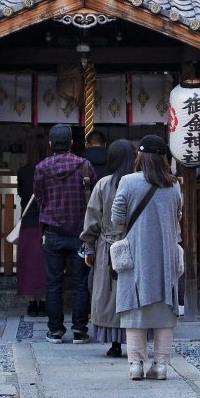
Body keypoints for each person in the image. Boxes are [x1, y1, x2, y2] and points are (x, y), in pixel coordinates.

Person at [110, 134, 184, 381]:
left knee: (134, 310)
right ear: (164, 158)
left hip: (136, 253)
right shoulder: (174, 185)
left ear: (140, 155)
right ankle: (161, 366)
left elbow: (117, 218)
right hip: (166, 255)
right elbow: (178, 216)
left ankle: (135, 366)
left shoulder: (128, 182)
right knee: (164, 312)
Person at [34, 123, 98, 343]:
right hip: (81, 234)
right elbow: (94, 199)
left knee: (53, 283)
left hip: (52, 232)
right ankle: (80, 330)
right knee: (81, 283)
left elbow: (39, 199)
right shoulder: (84, 166)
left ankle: (55, 330)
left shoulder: (41, 167)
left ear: (50, 143)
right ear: (71, 143)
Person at [80, 138, 139, 358]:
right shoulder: (140, 183)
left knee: (108, 296)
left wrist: (89, 246)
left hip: (108, 247)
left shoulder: (104, 184)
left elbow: (93, 217)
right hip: (135, 245)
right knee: (133, 294)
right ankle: (136, 338)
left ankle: (113, 343)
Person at [14, 132, 49, 317]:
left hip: (28, 222)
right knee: (44, 264)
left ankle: (31, 303)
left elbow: (21, 193)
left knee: (28, 264)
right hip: (47, 222)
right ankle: (43, 301)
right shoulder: (50, 171)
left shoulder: (23, 172)